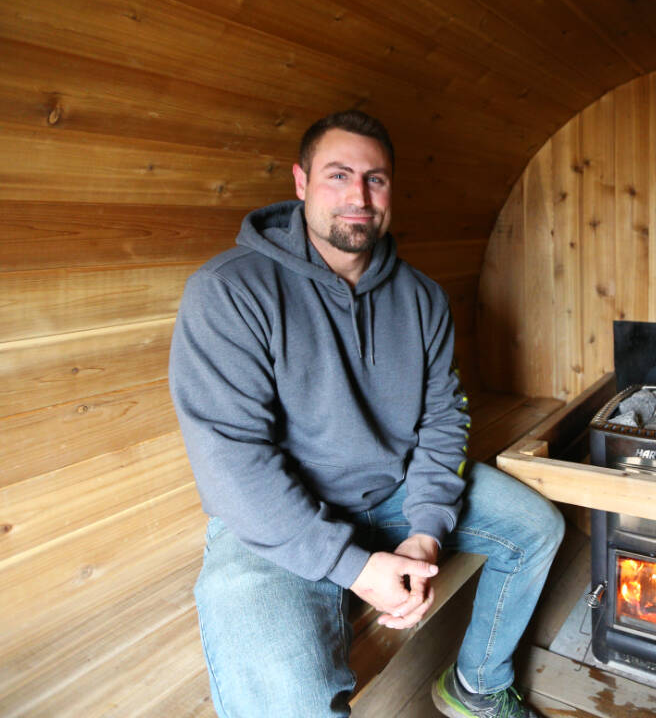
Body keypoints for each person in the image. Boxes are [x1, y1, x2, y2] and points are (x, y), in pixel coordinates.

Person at [169, 109, 563, 718]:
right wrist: (354, 568)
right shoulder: (229, 290)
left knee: (538, 527)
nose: (358, 196)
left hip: (394, 489)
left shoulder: (422, 297)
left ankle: (477, 685)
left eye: (375, 179)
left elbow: (443, 422)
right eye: (338, 175)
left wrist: (427, 532)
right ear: (301, 183)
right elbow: (232, 464)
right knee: (290, 702)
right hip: (277, 517)